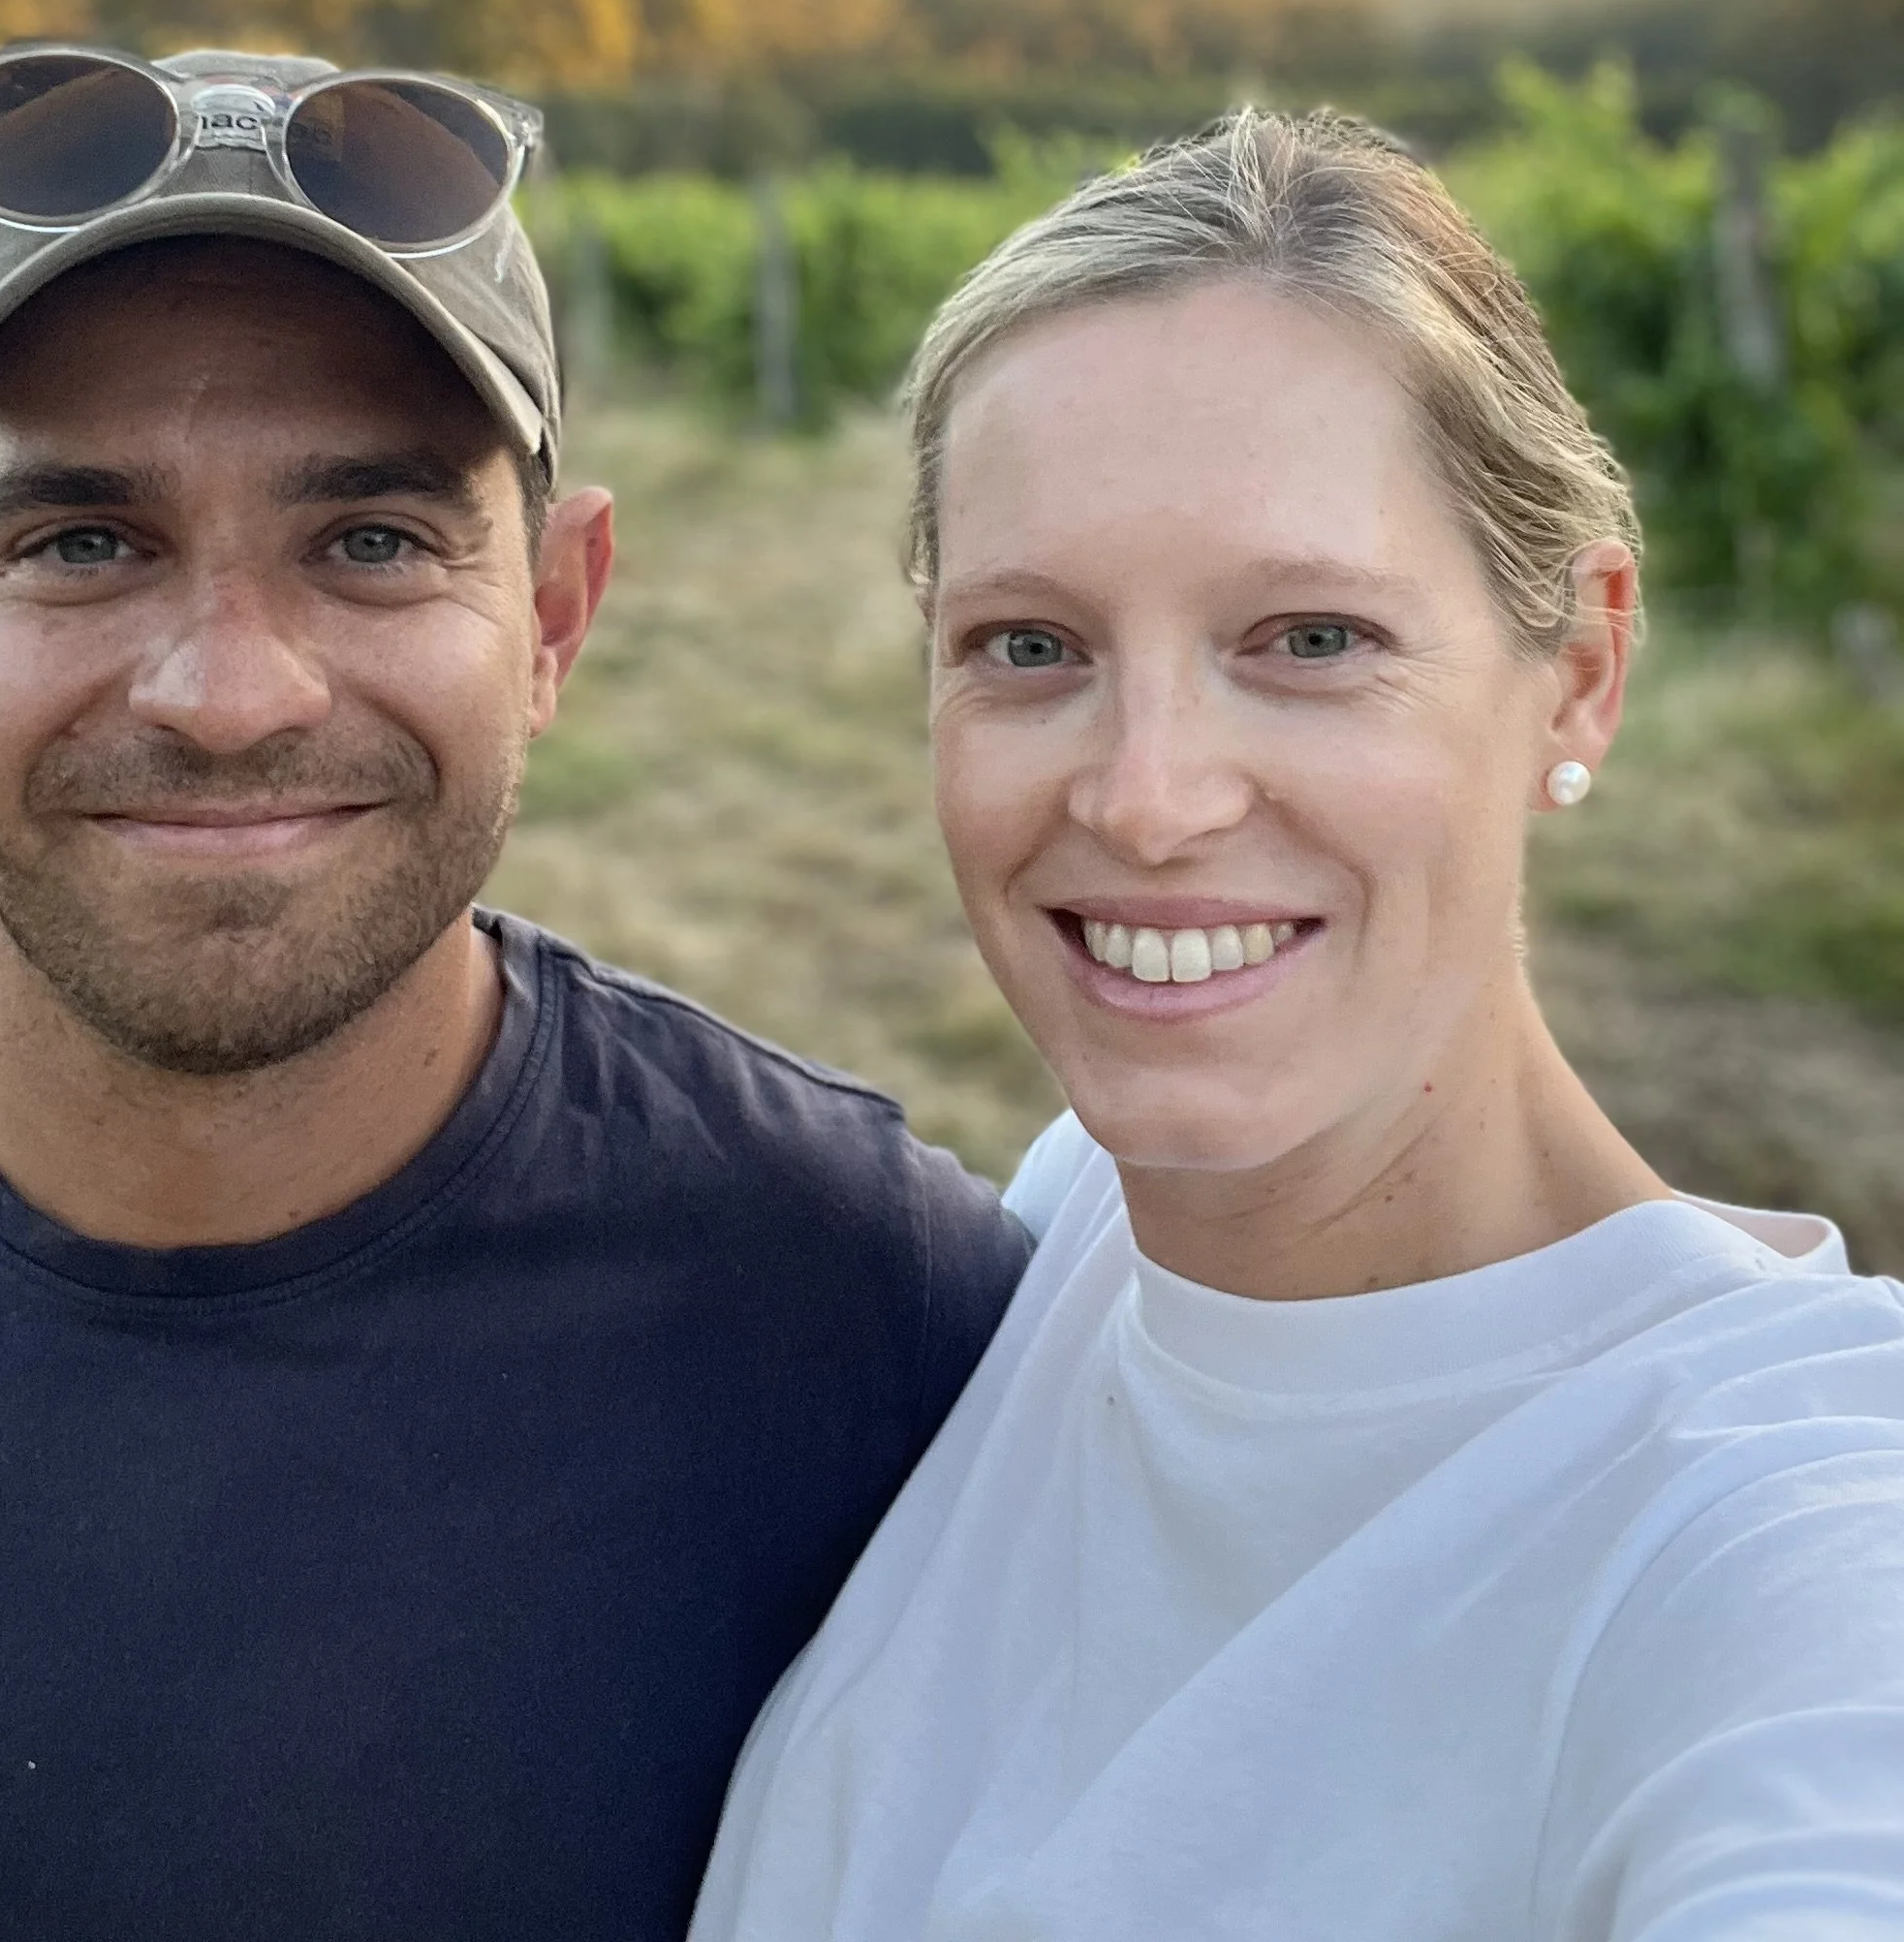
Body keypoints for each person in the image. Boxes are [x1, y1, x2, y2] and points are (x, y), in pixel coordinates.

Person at [0, 44, 1029, 1942]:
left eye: (374, 540)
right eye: (82, 540)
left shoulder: (886, 1323)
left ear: (554, 613)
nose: (232, 691)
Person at [695, 106, 1904, 1942]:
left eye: (1310, 639)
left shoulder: (1781, 1527)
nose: (1150, 798)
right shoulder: (1082, 1232)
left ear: (1579, 670)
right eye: (1032, 647)